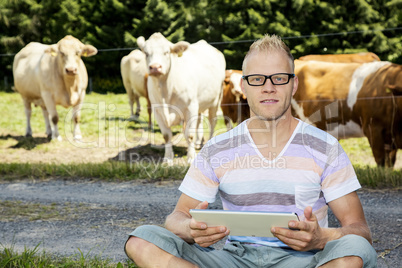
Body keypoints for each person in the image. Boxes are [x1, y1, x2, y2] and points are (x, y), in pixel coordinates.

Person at [124, 34, 377, 268]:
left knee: (355, 248)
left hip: (305, 261)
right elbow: (175, 218)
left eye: (279, 78)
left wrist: (322, 238)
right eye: (257, 79)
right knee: (142, 240)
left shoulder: (325, 147)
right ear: (243, 87)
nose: (268, 87)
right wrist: (191, 229)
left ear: (294, 84)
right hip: (234, 259)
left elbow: (359, 229)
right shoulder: (217, 148)